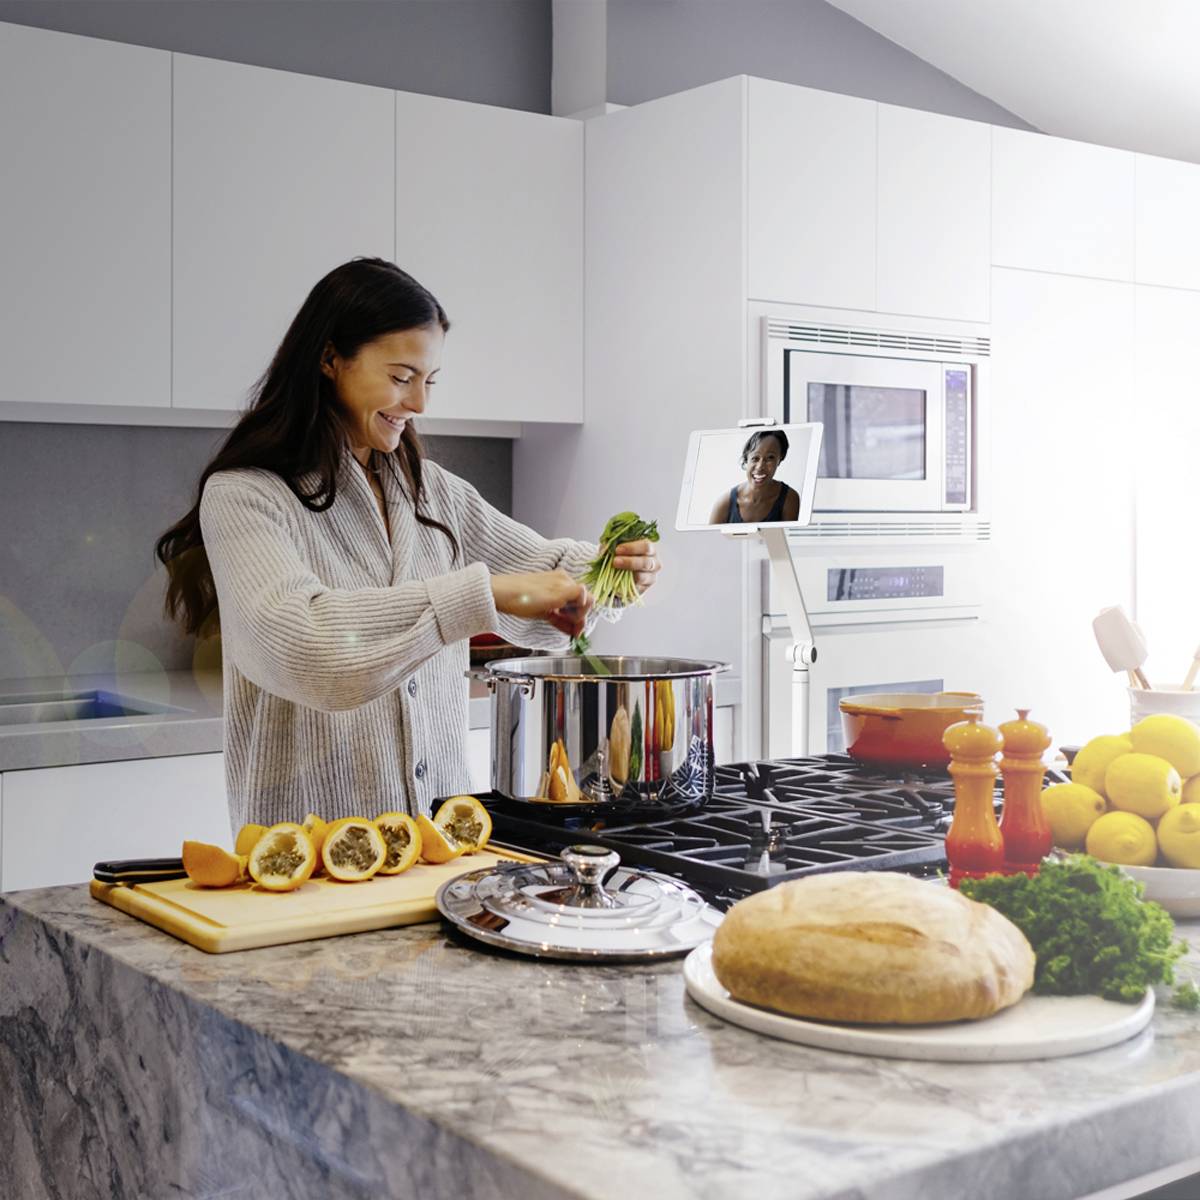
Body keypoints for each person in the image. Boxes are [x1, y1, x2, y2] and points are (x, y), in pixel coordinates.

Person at [156, 258, 660, 830]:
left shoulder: (432, 492)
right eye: (401, 377)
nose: (419, 403)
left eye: (429, 380)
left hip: (443, 843)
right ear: (328, 359)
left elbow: (543, 573)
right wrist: (481, 595)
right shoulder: (246, 497)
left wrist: (610, 573)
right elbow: (307, 647)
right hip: (309, 853)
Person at [708, 430, 801, 524]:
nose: (760, 466)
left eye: (770, 458)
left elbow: (789, 538)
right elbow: (708, 538)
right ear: (746, 459)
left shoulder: (789, 499)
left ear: (780, 459)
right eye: (755, 458)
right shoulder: (724, 503)